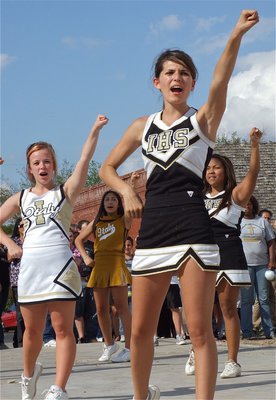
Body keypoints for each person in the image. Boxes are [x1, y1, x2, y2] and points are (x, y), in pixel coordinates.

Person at [98, 10, 259, 400]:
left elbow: (221, 77)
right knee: (140, 331)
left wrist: (235, 35)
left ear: (192, 83)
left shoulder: (203, 120)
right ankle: (141, 395)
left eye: (185, 73)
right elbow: (106, 168)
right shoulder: (142, 125)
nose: (177, 78)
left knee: (200, 329)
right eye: (170, 72)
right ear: (157, 81)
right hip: (153, 229)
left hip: (193, 226)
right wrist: (127, 191)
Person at [0, 114, 108, 400]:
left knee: (62, 330)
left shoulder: (65, 192)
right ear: (30, 169)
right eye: (36, 162)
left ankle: (59, 388)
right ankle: (27, 376)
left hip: (61, 268)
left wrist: (94, 129)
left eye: (47, 161)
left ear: (54, 165)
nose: (42, 166)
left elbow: (85, 159)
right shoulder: (21, 197)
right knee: (32, 334)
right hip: (31, 270)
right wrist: (9, 242)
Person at [197, 128, 261, 380]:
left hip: (228, 251)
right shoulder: (197, 196)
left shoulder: (234, 195)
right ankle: (196, 350)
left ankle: (232, 360)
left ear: (226, 172)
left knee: (227, 308)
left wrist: (254, 146)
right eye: (208, 168)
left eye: (216, 167)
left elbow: (253, 174)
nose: (211, 172)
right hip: (202, 253)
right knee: (198, 309)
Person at [75, 190, 132, 363]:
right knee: (100, 309)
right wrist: (85, 257)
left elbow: (131, 208)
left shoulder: (124, 219)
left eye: (114, 199)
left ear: (118, 203)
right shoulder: (97, 221)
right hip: (99, 265)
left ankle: (130, 347)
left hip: (116, 263)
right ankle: (109, 345)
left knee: (121, 307)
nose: (110, 202)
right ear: (103, 203)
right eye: (107, 199)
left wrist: (130, 186)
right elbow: (78, 239)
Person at [240, 196, 276, 339]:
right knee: (246, 300)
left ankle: (269, 331)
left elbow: (271, 242)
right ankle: (247, 332)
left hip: (262, 265)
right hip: (245, 266)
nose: (247, 207)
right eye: (244, 204)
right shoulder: (238, 221)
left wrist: (272, 261)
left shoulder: (262, 222)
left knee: (264, 298)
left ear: (254, 206)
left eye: (249, 204)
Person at [9, 218, 25, 348]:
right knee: (20, 314)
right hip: (18, 281)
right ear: (18, 227)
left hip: (34, 280)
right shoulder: (14, 241)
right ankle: (20, 342)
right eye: (22, 225)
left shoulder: (34, 239)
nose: (24, 227)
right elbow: (9, 257)